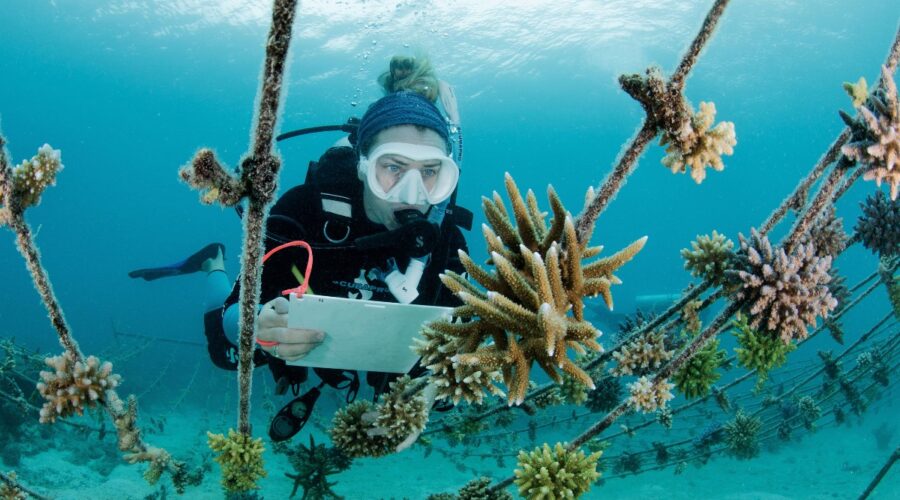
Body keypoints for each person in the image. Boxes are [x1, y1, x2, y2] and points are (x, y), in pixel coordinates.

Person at [130, 56, 471, 444]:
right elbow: (231, 322)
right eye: (392, 167)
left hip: (381, 367)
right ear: (362, 165)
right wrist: (255, 325)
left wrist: (425, 397)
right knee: (226, 357)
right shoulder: (304, 212)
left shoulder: (446, 246)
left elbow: (454, 355)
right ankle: (213, 264)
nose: (413, 194)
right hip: (291, 342)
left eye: (430, 172)